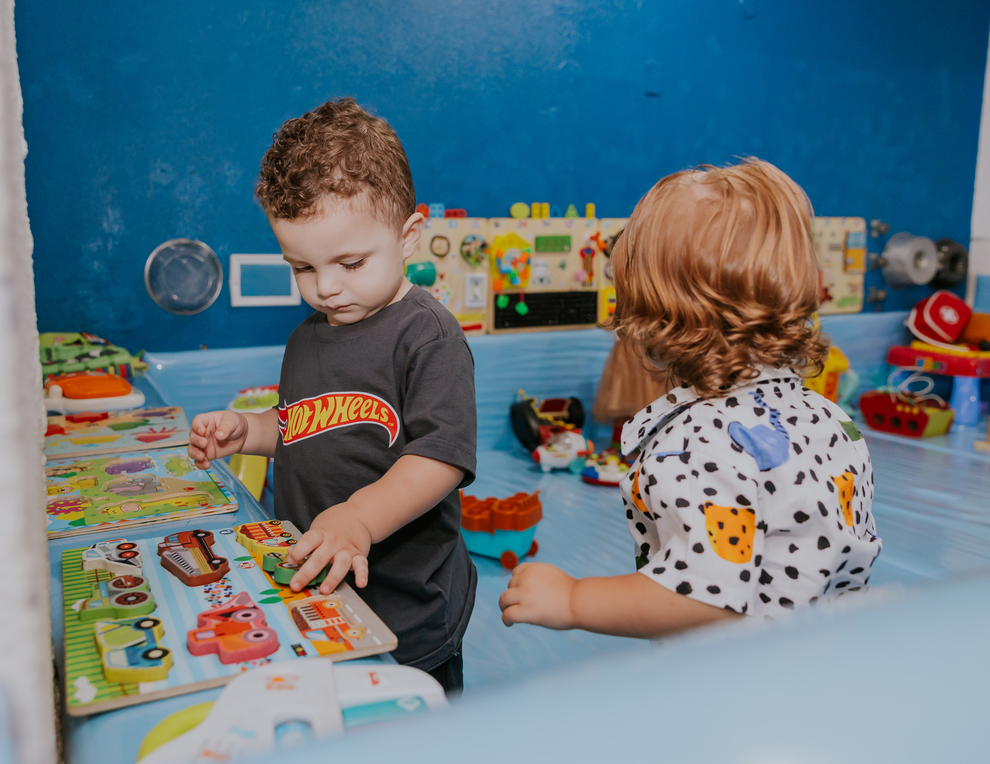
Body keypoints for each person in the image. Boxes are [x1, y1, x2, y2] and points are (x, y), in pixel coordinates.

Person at [500, 158, 881, 637]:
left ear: (652, 318)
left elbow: (704, 598)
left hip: (742, 684)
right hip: (828, 660)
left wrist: (574, 600)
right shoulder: (828, 418)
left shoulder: (697, 444)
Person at [189, 99, 477, 690]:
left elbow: (441, 457)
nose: (325, 287)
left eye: (350, 262)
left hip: (407, 605)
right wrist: (252, 431)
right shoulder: (307, 338)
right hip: (316, 592)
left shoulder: (427, 335)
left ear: (409, 235)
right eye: (302, 268)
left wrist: (359, 520)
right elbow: (305, 424)